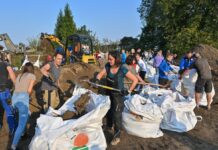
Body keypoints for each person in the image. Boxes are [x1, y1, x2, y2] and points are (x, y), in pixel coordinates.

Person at [95, 50, 138, 145]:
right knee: (109, 111)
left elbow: (135, 80)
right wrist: (97, 80)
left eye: (111, 59)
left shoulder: (122, 68)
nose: (109, 61)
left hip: (118, 95)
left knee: (117, 116)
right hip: (109, 93)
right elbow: (99, 75)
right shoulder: (107, 66)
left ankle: (117, 135)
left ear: (116, 59)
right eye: (108, 59)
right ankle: (109, 126)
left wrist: (129, 90)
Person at [11, 62, 36, 150]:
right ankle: (13, 145)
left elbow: (17, 87)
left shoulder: (20, 75)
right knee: (21, 124)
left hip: (14, 100)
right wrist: (28, 97)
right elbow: (29, 90)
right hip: (22, 101)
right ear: (32, 69)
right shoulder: (32, 76)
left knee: (23, 116)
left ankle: (22, 134)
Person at [0, 53, 16, 132]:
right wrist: (16, 85)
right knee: (9, 110)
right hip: (4, 91)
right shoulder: (5, 63)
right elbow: (12, 74)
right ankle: (12, 129)